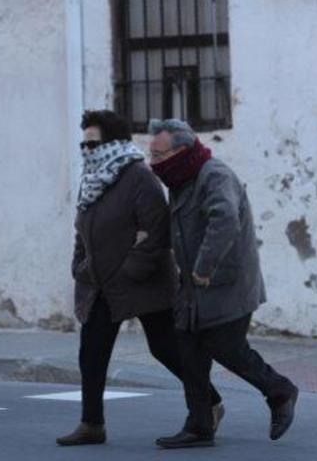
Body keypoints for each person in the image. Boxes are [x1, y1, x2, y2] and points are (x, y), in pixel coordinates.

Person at [57, 110, 224, 446]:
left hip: (144, 283)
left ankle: (211, 401)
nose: (87, 151)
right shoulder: (91, 179)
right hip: (100, 283)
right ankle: (92, 424)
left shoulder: (138, 177)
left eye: (94, 144)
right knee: (91, 352)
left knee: (165, 348)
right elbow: (82, 230)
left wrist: (129, 269)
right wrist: (80, 266)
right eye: (83, 144)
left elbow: (156, 231)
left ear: (115, 142)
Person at [147, 118, 299, 449]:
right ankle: (200, 425)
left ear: (180, 151)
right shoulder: (179, 180)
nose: (153, 163)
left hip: (226, 285)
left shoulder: (214, 176)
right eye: (152, 155)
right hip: (192, 290)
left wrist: (204, 267)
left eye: (158, 156)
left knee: (226, 347)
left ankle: (280, 390)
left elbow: (225, 219)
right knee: (188, 353)